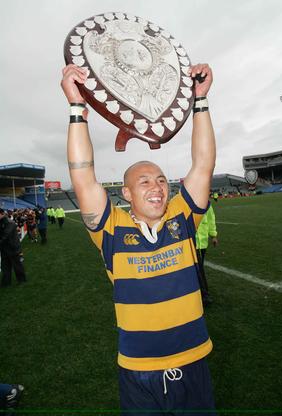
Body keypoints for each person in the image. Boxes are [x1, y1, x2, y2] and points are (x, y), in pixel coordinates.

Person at [61, 62, 216, 415]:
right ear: (127, 194)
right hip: (138, 372)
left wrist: (201, 102)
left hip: (194, 362)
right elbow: (82, 176)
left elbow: (203, 163)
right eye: (144, 181)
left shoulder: (182, 216)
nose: (157, 187)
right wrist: (76, 107)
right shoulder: (110, 228)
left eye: (161, 180)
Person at [196, 204, 218, 306]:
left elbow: (210, 219)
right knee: (197, 269)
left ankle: (203, 294)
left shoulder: (207, 204)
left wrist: (213, 235)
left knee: (199, 269)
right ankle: (204, 295)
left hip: (202, 243)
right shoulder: (184, 201)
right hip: (190, 242)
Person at [0, 209, 27, 287]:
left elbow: (5, 235)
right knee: (5, 266)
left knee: (17, 265)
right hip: (4, 248)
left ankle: (22, 280)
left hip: (13, 248)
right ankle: (6, 282)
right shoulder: (2, 222)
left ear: (1, 214)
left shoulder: (9, 222)